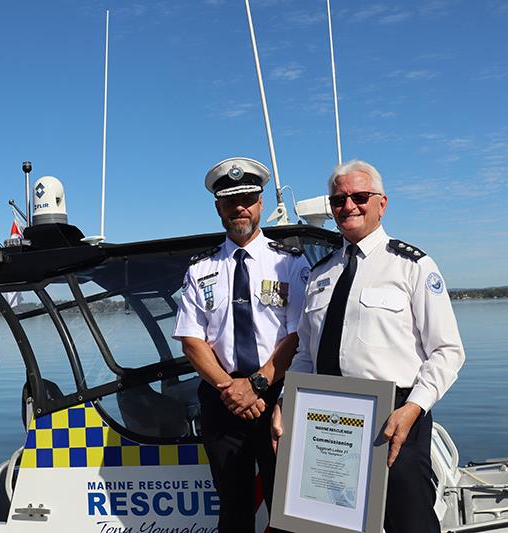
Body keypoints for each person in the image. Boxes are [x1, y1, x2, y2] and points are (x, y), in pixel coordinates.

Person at [272, 160, 465, 533]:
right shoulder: (321, 274)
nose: (348, 206)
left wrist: (414, 407)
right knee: (332, 526)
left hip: (396, 416)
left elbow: (448, 350)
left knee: (410, 523)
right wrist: (285, 403)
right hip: (328, 420)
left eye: (359, 197)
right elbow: (306, 355)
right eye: (339, 199)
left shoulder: (412, 266)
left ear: (382, 203)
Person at [173, 157, 310, 532]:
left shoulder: (290, 265)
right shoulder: (200, 269)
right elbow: (191, 340)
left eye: (247, 198)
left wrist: (258, 384)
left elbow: (297, 335)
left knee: (287, 505)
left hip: (276, 397)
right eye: (230, 201)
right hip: (222, 399)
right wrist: (230, 388)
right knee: (233, 505)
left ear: (261, 202)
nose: (240, 208)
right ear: (218, 207)